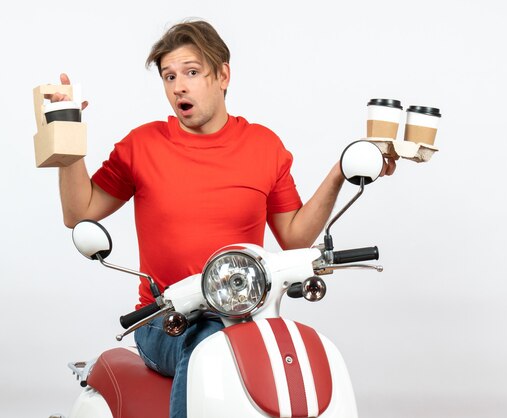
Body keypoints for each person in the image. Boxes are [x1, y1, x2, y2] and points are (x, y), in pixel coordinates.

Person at [48, 19, 395, 418]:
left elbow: (295, 239)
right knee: (208, 343)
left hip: (247, 315)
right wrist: (66, 134)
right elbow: (80, 212)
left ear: (223, 75)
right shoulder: (141, 146)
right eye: (169, 76)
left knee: (297, 348)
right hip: (166, 321)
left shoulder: (264, 146)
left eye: (192, 72)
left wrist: (338, 172)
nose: (179, 86)